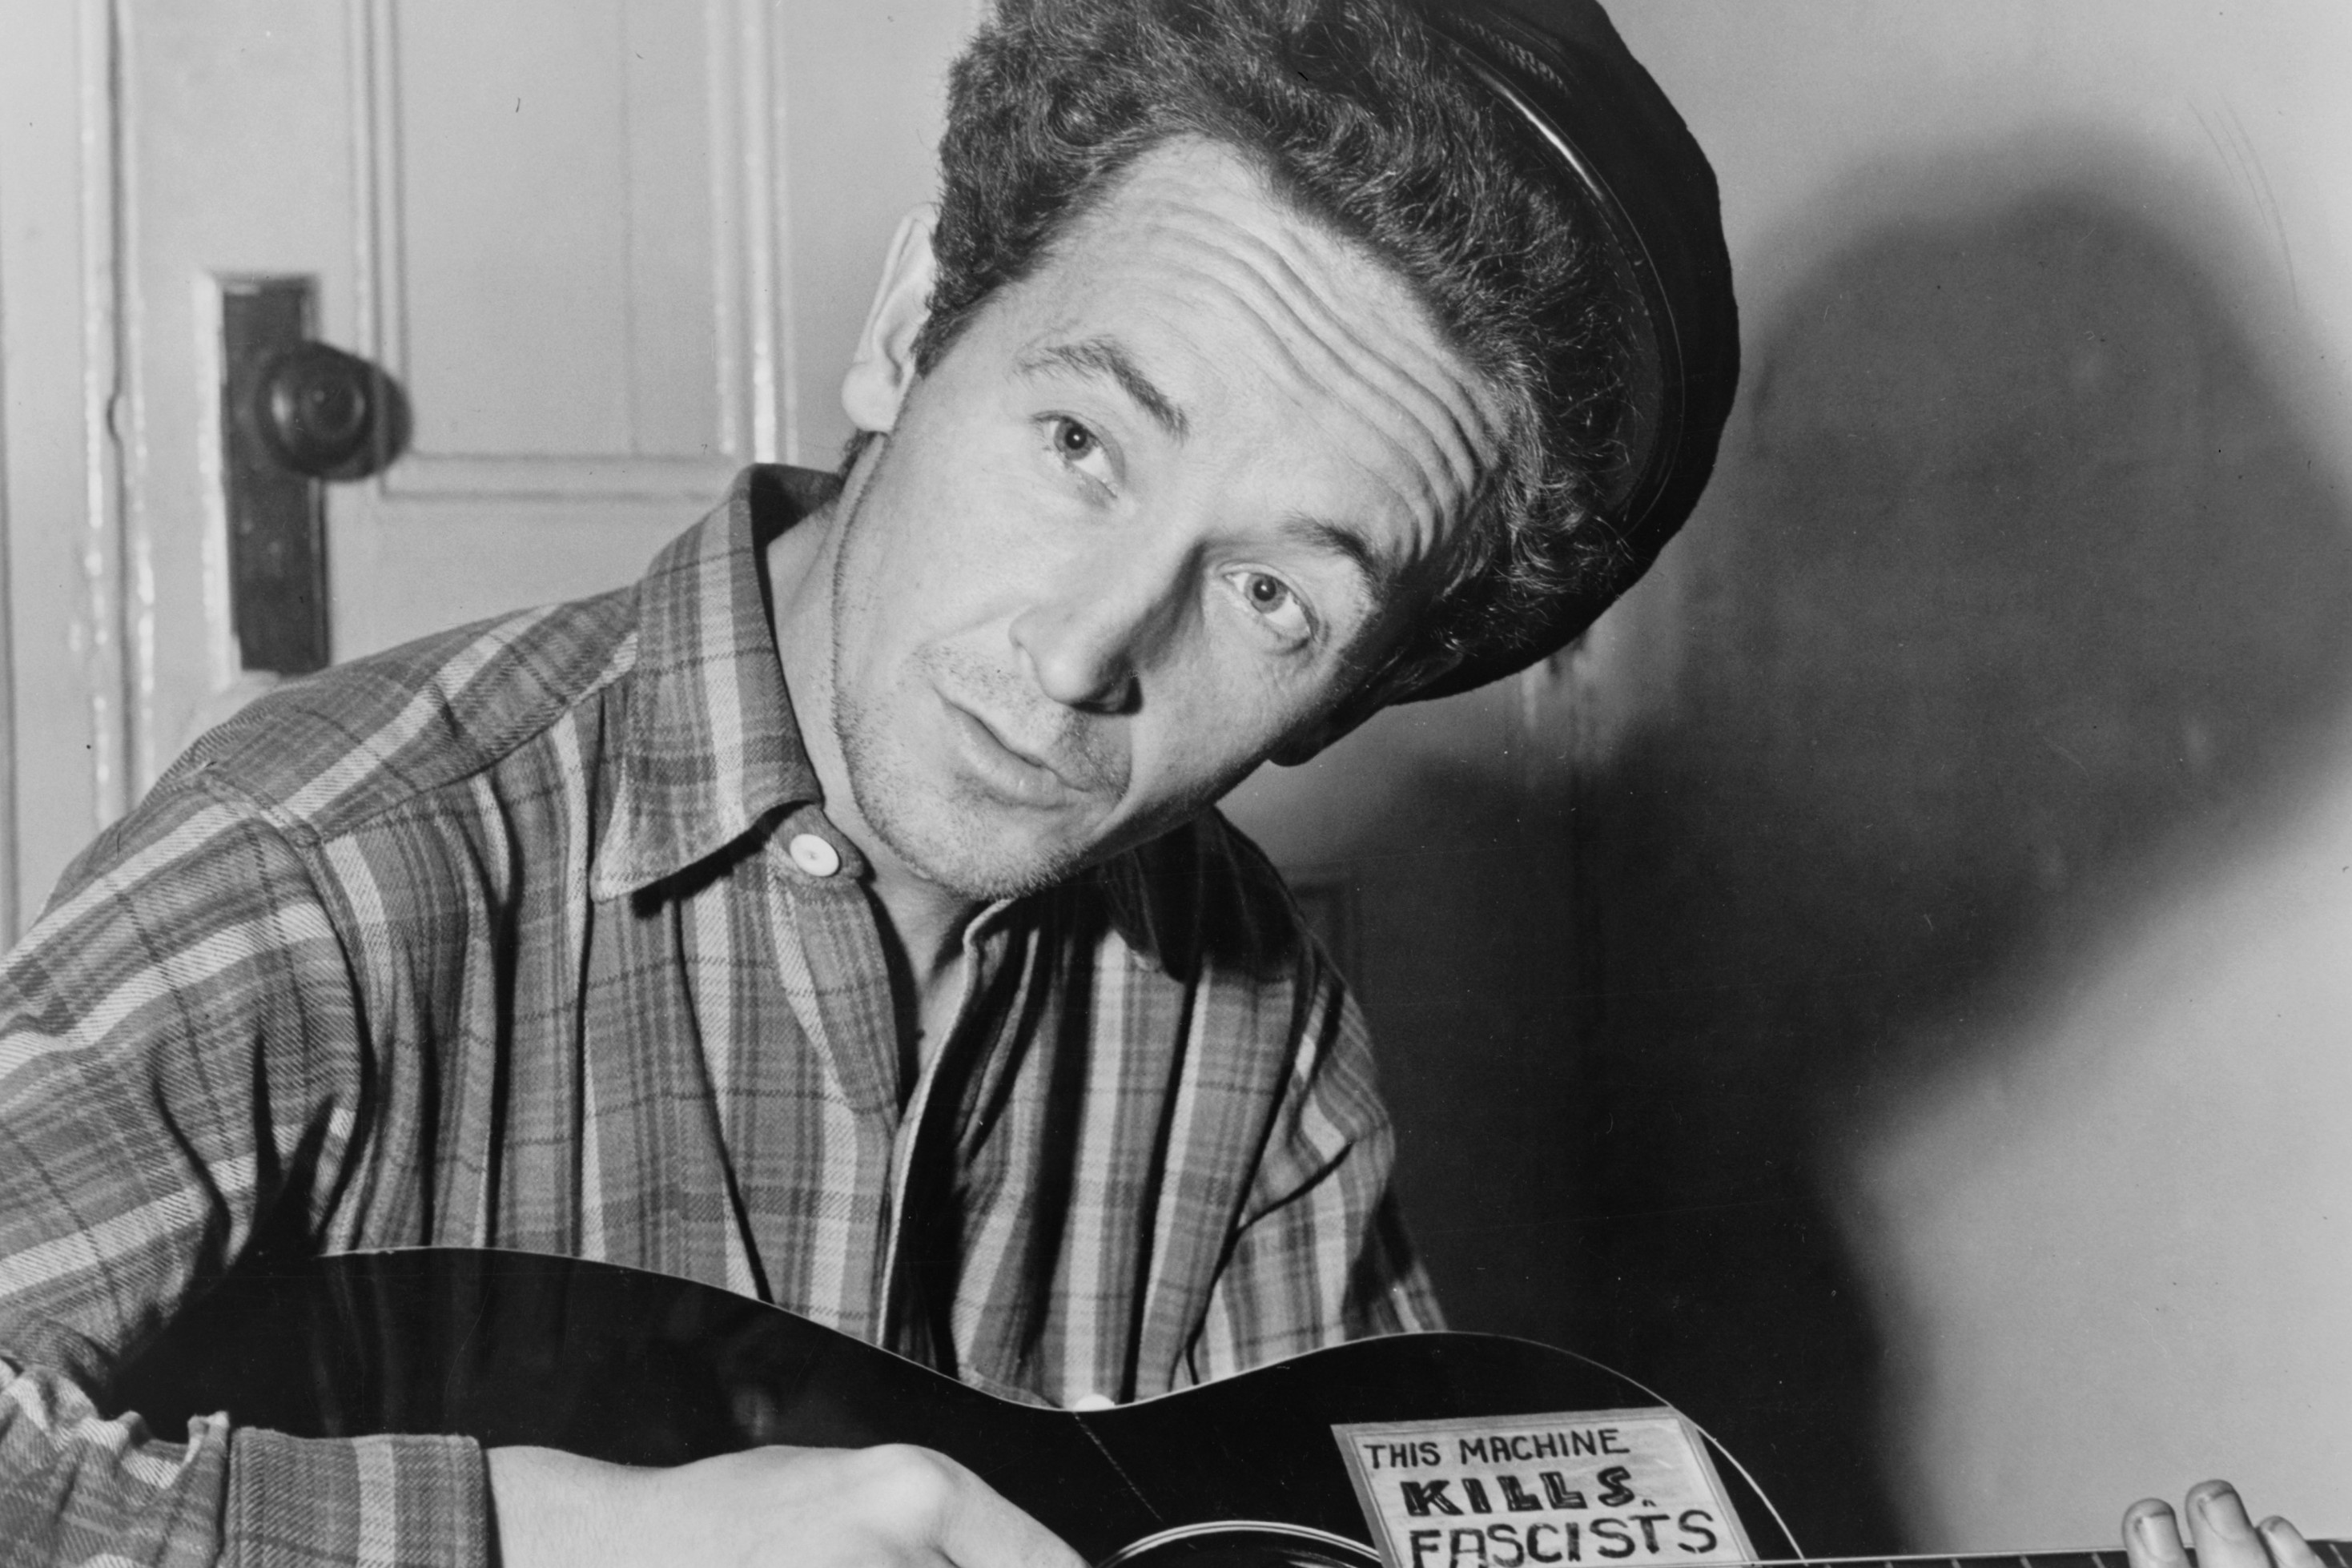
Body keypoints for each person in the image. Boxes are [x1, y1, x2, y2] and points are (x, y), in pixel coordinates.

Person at [0, 2, 2315, 1566]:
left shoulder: (1241, 1012)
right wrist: (576, 1536)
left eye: (1280, 599)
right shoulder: (347, 866)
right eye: (1080, 440)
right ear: (913, 323)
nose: (1091, 645)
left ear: (1350, 695)